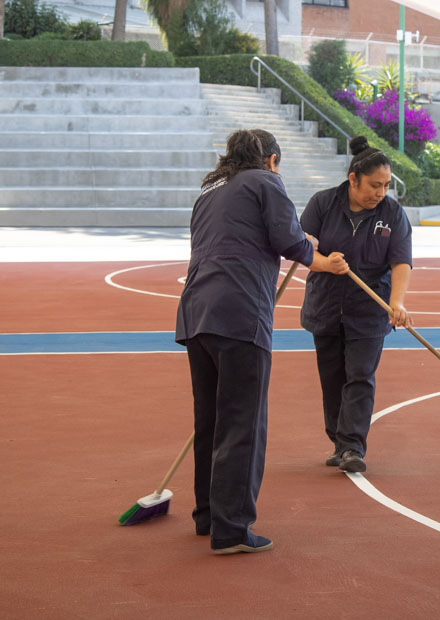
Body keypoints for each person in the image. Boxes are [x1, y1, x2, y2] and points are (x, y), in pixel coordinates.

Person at [175, 129, 348, 554]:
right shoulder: (266, 181)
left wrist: (298, 244)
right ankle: (232, 529)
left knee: (211, 422)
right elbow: (288, 239)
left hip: (197, 313)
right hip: (239, 315)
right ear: (271, 159)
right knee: (242, 424)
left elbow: (251, 235)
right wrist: (322, 259)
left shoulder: (209, 191)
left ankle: (209, 516)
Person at [300, 135, 413, 474]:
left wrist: (397, 303)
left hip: (369, 311)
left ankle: (352, 445)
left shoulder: (392, 213)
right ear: (353, 179)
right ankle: (338, 440)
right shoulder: (322, 203)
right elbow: (302, 249)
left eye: (386, 185)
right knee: (332, 378)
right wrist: (324, 263)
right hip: (326, 306)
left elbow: (401, 261)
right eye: (374, 185)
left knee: (360, 376)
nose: (380, 192)